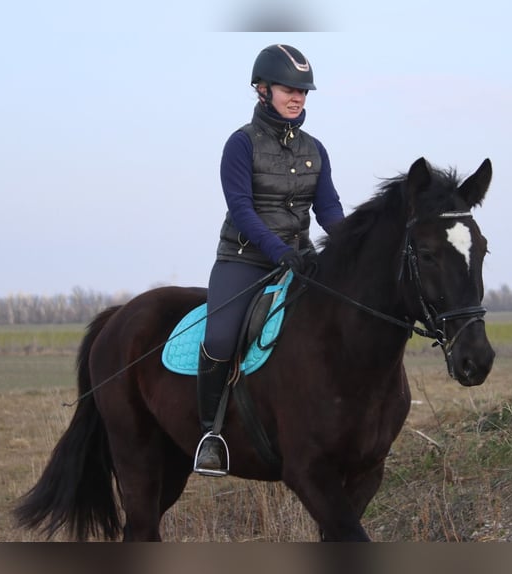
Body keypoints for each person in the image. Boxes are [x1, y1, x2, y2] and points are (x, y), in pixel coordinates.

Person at [195, 44, 345, 475]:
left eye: (303, 91)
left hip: (299, 260)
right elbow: (242, 210)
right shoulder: (240, 145)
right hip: (244, 260)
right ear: (262, 90)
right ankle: (211, 434)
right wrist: (280, 251)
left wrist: (354, 245)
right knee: (221, 339)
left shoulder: (315, 149)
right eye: (288, 89)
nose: (297, 98)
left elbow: (329, 211)